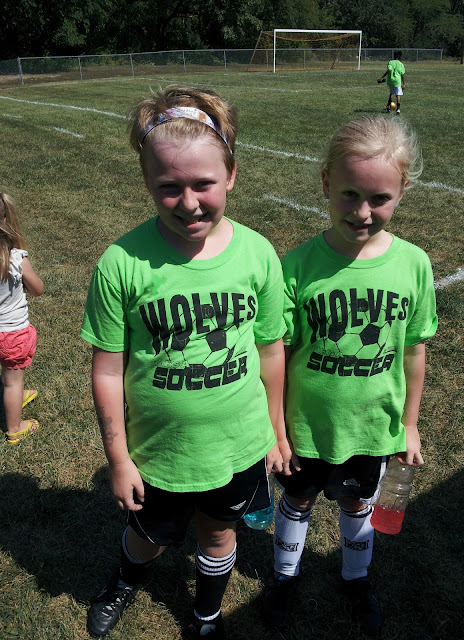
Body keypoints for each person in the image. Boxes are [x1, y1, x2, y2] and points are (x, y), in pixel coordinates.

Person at [80, 86, 288, 639]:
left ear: (232, 175)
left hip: (238, 444)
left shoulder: (257, 253)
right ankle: (125, 581)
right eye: (169, 187)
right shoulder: (121, 263)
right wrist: (118, 458)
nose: (189, 202)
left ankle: (207, 615)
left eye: (203, 184)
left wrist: (274, 432)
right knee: (148, 536)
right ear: (147, 182)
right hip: (160, 452)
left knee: (219, 535)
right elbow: (107, 369)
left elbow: (270, 350)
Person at [263, 117, 437, 637]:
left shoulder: (413, 265)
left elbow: (414, 351)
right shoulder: (297, 265)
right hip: (306, 427)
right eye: (349, 194)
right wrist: (277, 429)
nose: (362, 212)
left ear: (402, 191)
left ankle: (356, 579)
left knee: (359, 501)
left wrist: (409, 425)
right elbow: (278, 354)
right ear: (325, 183)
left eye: (379, 198)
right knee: (297, 499)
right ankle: (284, 577)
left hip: (371, 426)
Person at [0, 192, 43, 445]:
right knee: (12, 382)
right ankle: (15, 428)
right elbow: (38, 289)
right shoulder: (16, 258)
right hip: (13, 333)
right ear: (5, 219)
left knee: (8, 379)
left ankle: (15, 396)